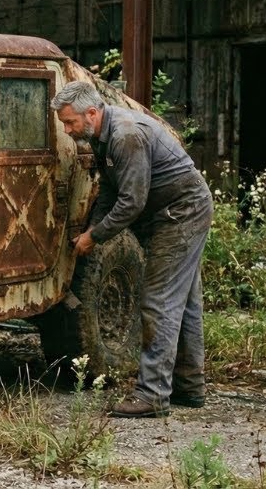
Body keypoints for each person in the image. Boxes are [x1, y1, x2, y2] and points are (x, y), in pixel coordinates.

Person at [50, 80, 213, 418]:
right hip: (175, 211)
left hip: (180, 213)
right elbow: (110, 191)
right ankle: (189, 386)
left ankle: (152, 395)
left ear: (91, 113)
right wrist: (92, 229)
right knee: (185, 302)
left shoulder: (125, 135)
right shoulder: (102, 136)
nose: (67, 130)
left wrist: (94, 237)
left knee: (159, 301)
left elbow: (131, 202)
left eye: (70, 122)